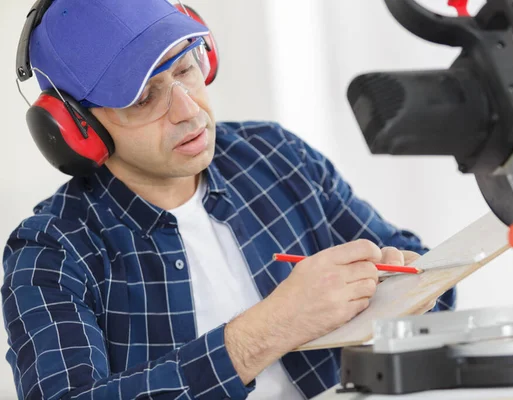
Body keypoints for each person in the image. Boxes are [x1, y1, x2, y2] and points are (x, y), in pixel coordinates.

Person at [2, 1, 455, 399]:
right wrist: (272, 326)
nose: (189, 110)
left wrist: (411, 288)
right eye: (144, 99)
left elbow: (422, 269)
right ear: (76, 130)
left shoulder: (275, 154)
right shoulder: (51, 251)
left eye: (184, 68)